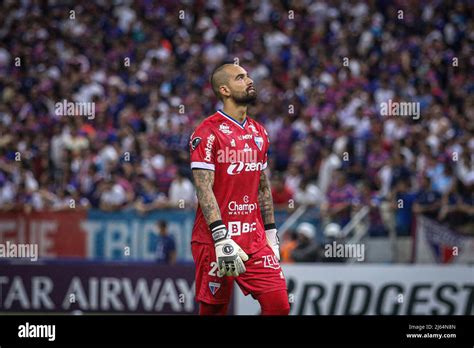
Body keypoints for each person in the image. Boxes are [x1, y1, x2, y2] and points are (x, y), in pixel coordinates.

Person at [190, 63, 289, 315]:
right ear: (224, 90)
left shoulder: (259, 132)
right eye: (240, 77)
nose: (249, 80)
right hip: (215, 239)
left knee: (278, 306)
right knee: (214, 310)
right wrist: (220, 236)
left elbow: (263, 186)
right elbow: (203, 189)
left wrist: (270, 232)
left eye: (248, 76)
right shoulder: (207, 132)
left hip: (254, 239)